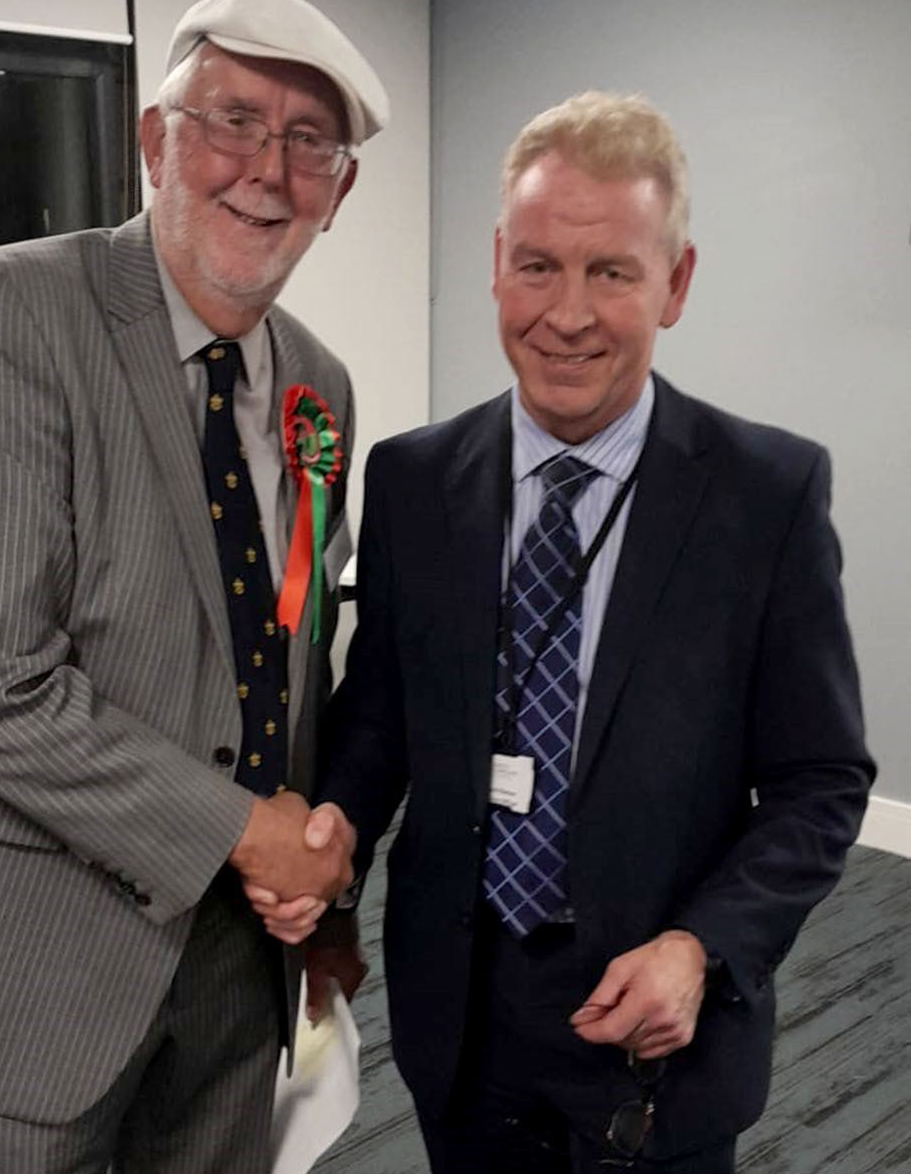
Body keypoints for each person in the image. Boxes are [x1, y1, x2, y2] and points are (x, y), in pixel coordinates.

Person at [0, 0, 387, 1174]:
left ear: (339, 193)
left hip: (237, 968)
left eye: (307, 144)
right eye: (232, 119)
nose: (266, 171)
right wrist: (247, 832)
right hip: (30, 957)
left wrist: (316, 869)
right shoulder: (9, 311)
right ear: (153, 142)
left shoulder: (316, 387)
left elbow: (285, 657)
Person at [296, 92, 874, 1172]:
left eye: (610, 271)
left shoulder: (763, 495)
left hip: (655, 1026)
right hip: (459, 1013)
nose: (565, 314)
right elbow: (378, 717)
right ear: (495, 263)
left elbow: (819, 780)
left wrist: (704, 949)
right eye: (537, 266)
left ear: (676, 282)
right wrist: (331, 840)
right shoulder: (414, 481)